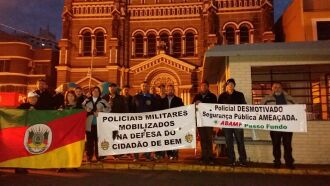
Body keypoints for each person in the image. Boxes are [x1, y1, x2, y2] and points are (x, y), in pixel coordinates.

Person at [260, 82, 296, 169]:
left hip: (287, 126)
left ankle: (289, 163)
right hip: (274, 126)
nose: (277, 88)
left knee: (287, 145)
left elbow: (297, 108)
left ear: (282, 88)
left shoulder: (289, 98)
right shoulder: (267, 99)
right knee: (276, 144)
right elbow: (260, 110)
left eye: (279, 87)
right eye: (275, 87)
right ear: (272, 88)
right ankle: (277, 162)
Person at [218, 78, 248, 167]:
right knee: (229, 142)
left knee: (240, 141)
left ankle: (243, 160)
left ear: (234, 86)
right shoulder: (222, 96)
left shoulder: (239, 95)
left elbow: (244, 107)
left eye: (232, 84)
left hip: (237, 122)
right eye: (228, 85)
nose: (230, 86)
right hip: (226, 123)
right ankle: (231, 160)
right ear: (226, 86)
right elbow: (217, 109)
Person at [132, 81, 158, 161]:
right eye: (143, 86)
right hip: (138, 122)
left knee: (148, 138)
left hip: (149, 122)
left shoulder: (152, 97)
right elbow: (132, 109)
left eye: (146, 86)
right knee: (137, 138)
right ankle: (136, 156)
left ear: (148, 87)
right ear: (141, 87)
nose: (144, 87)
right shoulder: (136, 97)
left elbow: (155, 109)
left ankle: (147, 155)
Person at [15, 92, 41, 174]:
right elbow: (15, 113)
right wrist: (26, 111)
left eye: (35, 98)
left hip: (32, 132)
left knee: (27, 149)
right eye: (32, 98)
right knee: (21, 149)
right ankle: (18, 167)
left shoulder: (39, 107)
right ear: (28, 98)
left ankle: (24, 166)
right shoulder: (23, 106)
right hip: (23, 131)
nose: (34, 99)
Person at [192, 80, 217, 165]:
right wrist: (195, 104)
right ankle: (204, 156)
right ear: (200, 87)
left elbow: (214, 107)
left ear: (208, 87)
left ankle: (210, 157)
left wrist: (202, 103)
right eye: (202, 86)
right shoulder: (197, 96)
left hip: (209, 122)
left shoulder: (212, 96)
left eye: (205, 86)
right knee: (202, 139)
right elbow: (192, 106)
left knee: (209, 139)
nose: (204, 87)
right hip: (200, 121)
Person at [83, 86, 110, 163]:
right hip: (89, 124)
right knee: (89, 142)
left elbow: (109, 108)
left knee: (98, 141)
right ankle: (89, 157)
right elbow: (82, 108)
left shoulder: (103, 101)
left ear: (99, 93)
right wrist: (88, 111)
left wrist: (101, 111)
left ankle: (99, 157)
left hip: (99, 124)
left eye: (97, 91)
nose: (96, 92)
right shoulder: (87, 100)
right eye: (94, 91)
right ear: (91, 92)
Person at [57, 90, 82, 173]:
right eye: (68, 96)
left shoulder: (78, 107)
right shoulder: (63, 106)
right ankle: (62, 165)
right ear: (66, 97)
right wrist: (59, 112)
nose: (70, 97)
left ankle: (74, 164)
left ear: (74, 97)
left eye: (72, 96)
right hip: (65, 130)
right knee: (64, 149)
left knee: (74, 148)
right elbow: (58, 116)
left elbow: (83, 115)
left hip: (75, 131)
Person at [160, 84, 184, 160]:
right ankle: (169, 153)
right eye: (169, 89)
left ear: (174, 90)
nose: (170, 91)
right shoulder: (162, 100)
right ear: (167, 90)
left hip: (175, 123)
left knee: (174, 138)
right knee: (167, 138)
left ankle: (175, 153)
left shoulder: (179, 100)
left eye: (171, 89)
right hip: (165, 123)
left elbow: (182, 110)